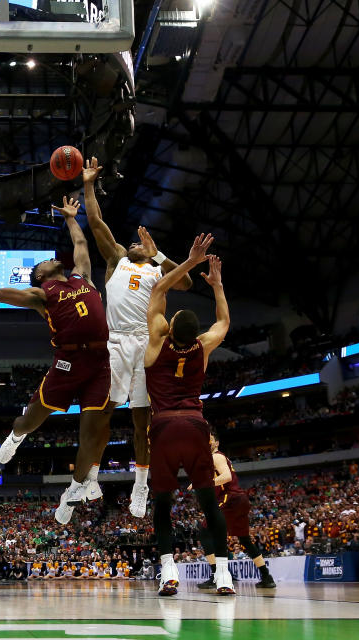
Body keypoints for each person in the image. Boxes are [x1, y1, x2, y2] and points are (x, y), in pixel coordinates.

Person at [0, 198, 111, 525]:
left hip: (100, 361)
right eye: (44, 262)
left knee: (92, 435)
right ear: (39, 276)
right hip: (68, 361)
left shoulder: (82, 277)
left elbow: (80, 242)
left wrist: (69, 218)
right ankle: (16, 436)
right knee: (32, 419)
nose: (51, 259)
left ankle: (72, 492)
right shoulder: (41, 295)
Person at [82, 156, 192, 517]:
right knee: (103, 410)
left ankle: (141, 488)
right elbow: (96, 223)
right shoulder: (116, 260)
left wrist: (158, 252)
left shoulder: (158, 269)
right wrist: (88, 185)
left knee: (142, 421)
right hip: (115, 341)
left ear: (148, 249)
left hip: (146, 342)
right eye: (131, 242)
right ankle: (92, 477)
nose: (133, 244)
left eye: (139, 244)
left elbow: (188, 281)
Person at [142, 233, 235, 596]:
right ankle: (224, 575)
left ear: (170, 325)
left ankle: (169, 573)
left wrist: (192, 262)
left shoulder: (157, 341)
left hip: (164, 426)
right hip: (196, 426)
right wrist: (217, 286)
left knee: (162, 505)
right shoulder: (204, 346)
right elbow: (223, 323)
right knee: (209, 503)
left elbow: (158, 290)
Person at [196, 432, 276, 590]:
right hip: (239, 499)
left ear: (216, 443)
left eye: (210, 440)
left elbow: (226, 477)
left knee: (204, 532)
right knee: (244, 539)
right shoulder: (212, 458)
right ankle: (266, 576)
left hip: (230, 498)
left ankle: (216, 575)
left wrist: (205, 483)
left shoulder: (216, 456)